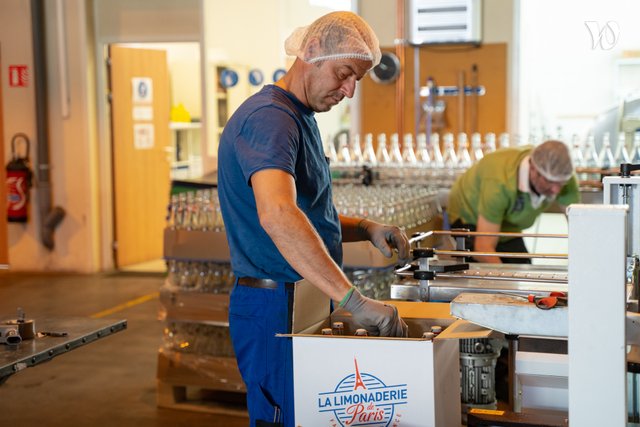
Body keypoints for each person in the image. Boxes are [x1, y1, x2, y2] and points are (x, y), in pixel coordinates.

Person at [217, 12, 409, 427]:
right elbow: (279, 215)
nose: (350, 90)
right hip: (274, 304)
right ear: (312, 51)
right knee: (284, 415)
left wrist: (364, 228)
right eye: (344, 74)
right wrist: (353, 301)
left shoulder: (298, 116)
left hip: (298, 297)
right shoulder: (270, 119)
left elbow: (306, 214)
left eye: (356, 78)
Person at [447, 140, 580, 263]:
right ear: (533, 169)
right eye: (549, 182)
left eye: (561, 183)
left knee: (524, 269)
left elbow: (580, 231)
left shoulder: (562, 175)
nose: (556, 190)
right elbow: (483, 248)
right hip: (469, 215)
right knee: (486, 277)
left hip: (507, 223)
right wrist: (508, 283)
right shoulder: (499, 182)